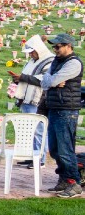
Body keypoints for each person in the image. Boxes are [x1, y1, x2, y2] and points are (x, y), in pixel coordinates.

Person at [40, 34, 83, 197]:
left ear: (68, 46)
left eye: (58, 47)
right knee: (55, 149)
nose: (55, 50)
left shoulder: (74, 63)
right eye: (54, 47)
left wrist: (52, 80)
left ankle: (74, 182)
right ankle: (64, 179)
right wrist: (52, 80)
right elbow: (45, 82)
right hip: (54, 108)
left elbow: (49, 81)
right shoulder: (56, 62)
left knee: (65, 149)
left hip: (66, 110)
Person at [9, 35, 54, 166]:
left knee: (39, 130)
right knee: (29, 130)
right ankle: (31, 155)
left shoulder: (49, 60)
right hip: (26, 99)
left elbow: (44, 79)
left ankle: (40, 159)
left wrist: (23, 78)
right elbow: (27, 76)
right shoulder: (33, 61)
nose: (31, 55)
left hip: (38, 100)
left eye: (32, 52)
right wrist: (18, 78)